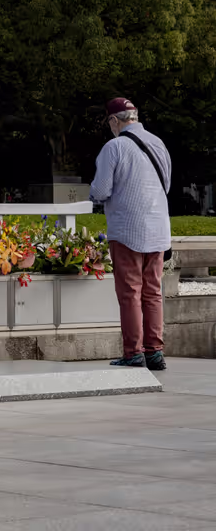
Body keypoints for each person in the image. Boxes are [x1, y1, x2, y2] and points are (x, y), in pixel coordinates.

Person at [90, 97, 171, 371]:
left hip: (127, 230)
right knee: (153, 292)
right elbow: (167, 184)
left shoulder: (114, 147)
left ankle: (133, 353)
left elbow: (101, 191)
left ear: (114, 120)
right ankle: (155, 352)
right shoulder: (158, 143)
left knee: (130, 293)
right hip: (159, 228)